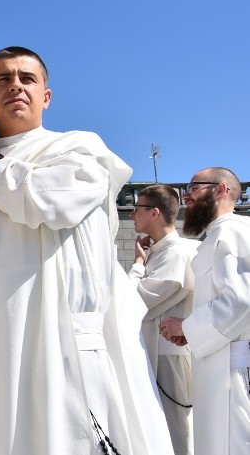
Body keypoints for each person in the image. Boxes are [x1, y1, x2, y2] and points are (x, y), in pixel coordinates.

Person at [0, 47, 171, 454]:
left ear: (46, 97)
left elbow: (48, 203)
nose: (15, 85)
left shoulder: (79, 149)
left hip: (63, 344)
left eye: (27, 78)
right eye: (3, 78)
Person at [160, 168, 250, 454]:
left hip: (232, 368)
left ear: (221, 189)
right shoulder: (218, 235)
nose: (186, 195)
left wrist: (187, 327)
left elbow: (241, 301)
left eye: (194, 187)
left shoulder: (232, 233)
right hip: (219, 359)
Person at [128, 184, 198, 455]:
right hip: (155, 351)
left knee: (178, 432)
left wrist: (136, 263)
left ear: (155, 212)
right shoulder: (159, 252)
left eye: (138, 208)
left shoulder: (178, 253)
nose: (133, 214)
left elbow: (135, 301)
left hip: (170, 355)